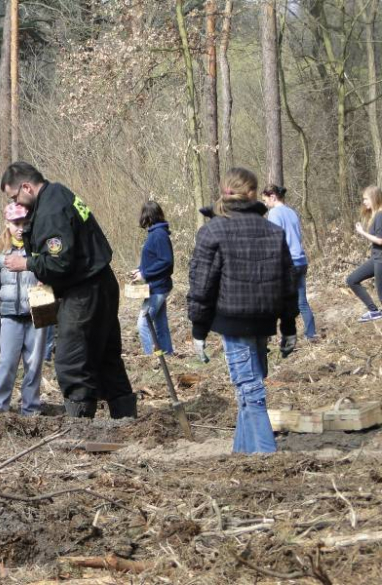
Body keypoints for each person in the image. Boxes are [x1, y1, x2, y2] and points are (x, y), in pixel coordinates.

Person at [0, 162, 136, 419]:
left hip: (84, 291)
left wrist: (26, 263)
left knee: (71, 359)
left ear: (26, 187)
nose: (16, 203)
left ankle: (80, 424)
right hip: (100, 282)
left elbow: (60, 262)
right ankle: (126, 420)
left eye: (15, 196)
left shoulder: (51, 210)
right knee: (106, 357)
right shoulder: (59, 192)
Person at [188, 168, 299, 454]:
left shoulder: (213, 231)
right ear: (252, 193)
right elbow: (289, 284)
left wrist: (198, 329)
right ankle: (242, 453)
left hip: (234, 321)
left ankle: (265, 454)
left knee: (250, 388)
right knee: (249, 388)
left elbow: (201, 284)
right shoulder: (273, 231)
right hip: (264, 319)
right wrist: (288, 327)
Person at [0, 203, 45, 416]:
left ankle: (31, 408)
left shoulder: (39, 251)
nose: (21, 228)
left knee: (34, 364)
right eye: (16, 223)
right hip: (9, 317)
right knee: (7, 362)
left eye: (25, 223)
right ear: (7, 224)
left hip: (37, 314)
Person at [261, 185, 318, 340]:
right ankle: (311, 333)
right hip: (301, 261)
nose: (265, 204)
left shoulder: (274, 213)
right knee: (302, 301)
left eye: (265, 200)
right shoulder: (292, 212)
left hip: (287, 264)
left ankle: (273, 336)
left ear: (273, 197)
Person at [131, 201, 174, 355]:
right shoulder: (155, 233)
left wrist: (145, 274)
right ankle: (167, 354)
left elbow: (166, 261)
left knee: (143, 324)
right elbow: (154, 259)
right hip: (156, 286)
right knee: (160, 324)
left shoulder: (159, 235)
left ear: (148, 216)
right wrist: (140, 270)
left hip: (158, 288)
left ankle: (152, 358)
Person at [346, 185, 382, 322]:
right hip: (376, 259)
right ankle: (374, 311)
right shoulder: (375, 214)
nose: (364, 202)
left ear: (374, 198)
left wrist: (362, 233)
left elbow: (380, 240)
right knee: (352, 280)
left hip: (380, 260)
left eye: (366, 199)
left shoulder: (380, 215)